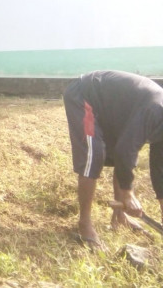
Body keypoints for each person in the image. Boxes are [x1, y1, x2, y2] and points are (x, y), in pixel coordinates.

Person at [63, 70, 163, 248]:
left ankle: (119, 216)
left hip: (113, 109)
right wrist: (127, 193)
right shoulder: (156, 111)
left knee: (123, 152)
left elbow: (159, 171)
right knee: (94, 155)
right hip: (85, 94)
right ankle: (84, 224)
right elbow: (126, 150)